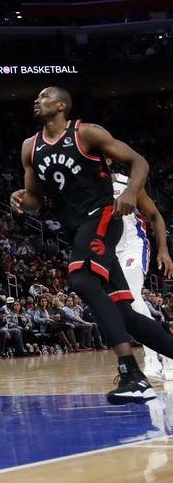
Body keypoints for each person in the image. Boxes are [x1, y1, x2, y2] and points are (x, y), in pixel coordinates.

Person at [11, 86, 173, 404]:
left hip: (102, 216)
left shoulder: (86, 133)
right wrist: (20, 199)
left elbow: (139, 161)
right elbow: (35, 201)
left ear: (61, 106)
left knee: (82, 278)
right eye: (36, 97)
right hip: (77, 227)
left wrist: (129, 193)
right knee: (125, 313)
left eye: (44, 97)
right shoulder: (30, 147)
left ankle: (131, 374)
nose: (36, 100)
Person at [109, 163, 173, 379]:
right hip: (109, 253)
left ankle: (154, 360)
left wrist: (163, 249)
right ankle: (166, 354)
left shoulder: (127, 183)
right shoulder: (86, 188)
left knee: (133, 297)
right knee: (125, 309)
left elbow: (154, 214)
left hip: (133, 246)